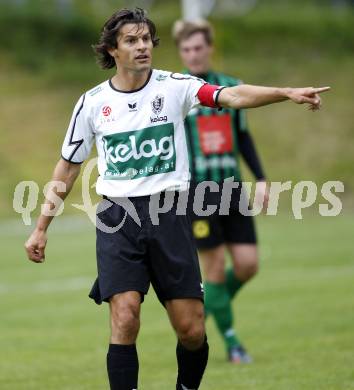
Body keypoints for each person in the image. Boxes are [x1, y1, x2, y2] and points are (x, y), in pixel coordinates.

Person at [24, 7, 329, 390]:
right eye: (131, 40)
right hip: (118, 218)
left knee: (191, 330)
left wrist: (285, 93)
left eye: (146, 38)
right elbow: (67, 168)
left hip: (170, 214)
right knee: (125, 315)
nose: (142, 46)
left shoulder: (175, 87)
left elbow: (230, 94)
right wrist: (40, 228)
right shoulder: (91, 103)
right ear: (112, 50)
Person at [173, 19, 268, 363]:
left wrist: (261, 177)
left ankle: (206, 308)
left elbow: (243, 136)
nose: (193, 54)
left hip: (232, 189)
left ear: (209, 48)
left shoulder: (232, 87)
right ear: (181, 52)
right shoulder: (177, 91)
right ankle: (233, 343)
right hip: (197, 193)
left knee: (247, 265)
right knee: (212, 269)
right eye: (186, 49)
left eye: (198, 47)